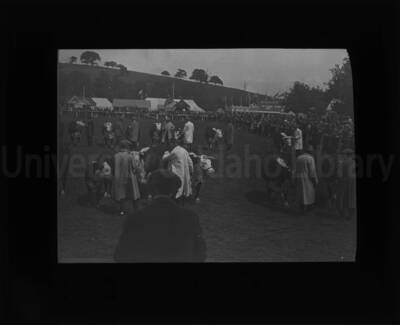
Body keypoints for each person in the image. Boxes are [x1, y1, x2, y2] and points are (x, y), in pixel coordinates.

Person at [113, 169, 207, 263]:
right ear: (175, 191)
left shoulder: (135, 218)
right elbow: (200, 254)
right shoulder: (190, 217)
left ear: (151, 190)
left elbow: (121, 256)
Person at [114, 140, 142, 215]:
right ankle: (135, 210)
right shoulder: (130, 156)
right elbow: (134, 167)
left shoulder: (116, 156)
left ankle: (121, 210)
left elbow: (115, 168)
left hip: (119, 177)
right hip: (130, 177)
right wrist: (139, 169)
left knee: (121, 194)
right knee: (134, 194)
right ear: (127, 147)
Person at [165, 137, 194, 205]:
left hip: (177, 173)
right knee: (184, 186)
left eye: (170, 144)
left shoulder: (174, 152)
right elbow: (190, 162)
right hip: (185, 173)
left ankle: (175, 202)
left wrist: (165, 153)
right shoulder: (184, 151)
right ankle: (182, 200)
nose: (170, 145)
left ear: (173, 144)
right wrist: (191, 171)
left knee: (177, 188)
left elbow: (165, 159)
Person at [294, 145, 319, 214]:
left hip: (299, 177)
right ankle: (307, 209)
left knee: (301, 193)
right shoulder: (310, 158)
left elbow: (295, 169)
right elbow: (312, 171)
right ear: (311, 151)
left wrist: (295, 178)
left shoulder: (299, 157)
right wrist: (315, 181)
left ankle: (301, 208)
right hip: (307, 178)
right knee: (309, 194)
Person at [335, 148, 356, 219]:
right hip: (353, 182)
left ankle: (343, 214)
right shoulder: (354, 162)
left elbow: (339, 175)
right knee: (352, 198)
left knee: (343, 198)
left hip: (344, 182)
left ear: (346, 155)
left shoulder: (342, 163)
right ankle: (351, 214)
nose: (343, 156)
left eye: (343, 154)